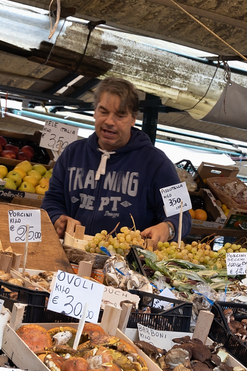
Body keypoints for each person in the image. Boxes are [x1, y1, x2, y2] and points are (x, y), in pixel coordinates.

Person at [43, 78, 191, 247]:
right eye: (103, 111)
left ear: (133, 118)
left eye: (120, 115)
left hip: (127, 266)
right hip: (71, 256)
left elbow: (183, 215)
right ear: (95, 111)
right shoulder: (72, 154)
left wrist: (168, 228)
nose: (109, 122)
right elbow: (52, 201)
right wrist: (56, 218)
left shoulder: (158, 163)